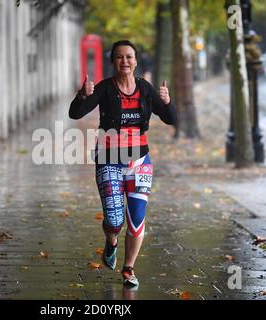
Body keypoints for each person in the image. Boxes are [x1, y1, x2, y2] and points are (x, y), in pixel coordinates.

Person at [69, 40, 176, 288]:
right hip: (109, 160)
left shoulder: (146, 89)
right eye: (119, 57)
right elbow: (75, 113)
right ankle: (112, 241)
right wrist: (82, 95)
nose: (125, 61)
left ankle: (128, 269)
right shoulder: (105, 88)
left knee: (136, 219)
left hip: (140, 162)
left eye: (129, 57)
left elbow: (170, 119)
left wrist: (167, 101)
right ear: (113, 62)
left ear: (136, 61)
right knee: (115, 221)